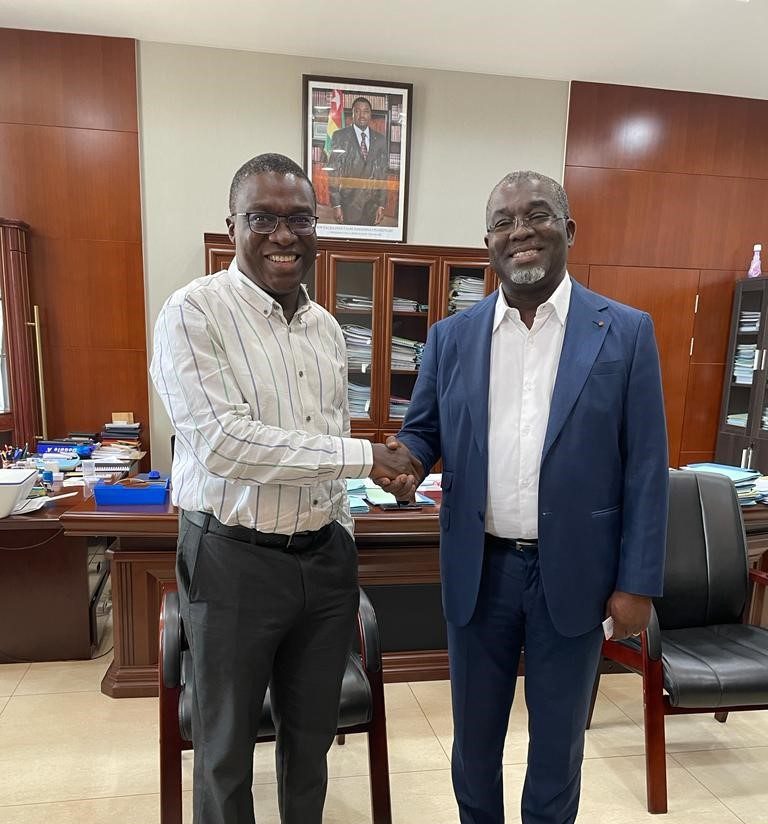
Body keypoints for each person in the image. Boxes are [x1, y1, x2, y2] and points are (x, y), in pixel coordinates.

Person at [380, 171, 668, 824]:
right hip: (479, 572)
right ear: (488, 244)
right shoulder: (452, 338)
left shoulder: (624, 332)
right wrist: (405, 462)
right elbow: (424, 431)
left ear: (568, 229)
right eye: (505, 222)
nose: (522, 231)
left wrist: (637, 583)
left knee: (557, 748)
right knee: (474, 748)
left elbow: (647, 468)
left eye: (537, 215)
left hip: (578, 577)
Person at [150, 152, 417, 824]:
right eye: (262, 218)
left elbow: (323, 441)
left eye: (299, 218)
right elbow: (225, 445)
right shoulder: (192, 313)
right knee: (225, 749)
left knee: (311, 741)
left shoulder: (327, 329)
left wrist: (346, 535)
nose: (283, 235)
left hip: (324, 561)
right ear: (232, 224)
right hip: (233, 560)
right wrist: (367, 458)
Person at [327, 96, 389, 226]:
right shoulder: (340, 136)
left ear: (370, 115)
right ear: (352, 114)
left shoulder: (381, 140)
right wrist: (336, 204)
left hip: (372, 205)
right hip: (347, 204)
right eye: (358, 111)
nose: (362, 115)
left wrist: (382, 205)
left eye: (366, 111)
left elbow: (383, 174)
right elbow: (333, 173)